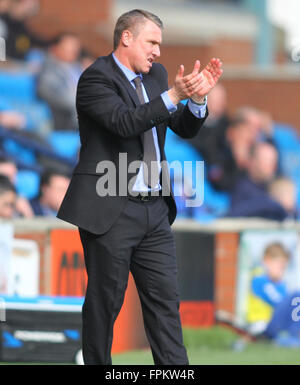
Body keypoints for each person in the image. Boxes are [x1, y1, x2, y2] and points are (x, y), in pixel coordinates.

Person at [57, 9, 223, 365]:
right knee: (105, 303)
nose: (158, 53)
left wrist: (195, 100)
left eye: (160, 45)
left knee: (166, 303)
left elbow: (182, 127)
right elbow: (123, 123)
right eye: (152, 42)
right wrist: (172, 96)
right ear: (126, 38)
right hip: (111, 208)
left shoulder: (157, 75)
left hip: (154, 210)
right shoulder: (95, 78)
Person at [226, 141, 289, 220]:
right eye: (267, 161)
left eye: (274, 162)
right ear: (253, 162)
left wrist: (289, 208)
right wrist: (272, 204)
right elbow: (232, 215)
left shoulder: (275, 187)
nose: (274, 167)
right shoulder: (241, 188)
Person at [37, 32, 82, 131]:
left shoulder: (77, 68)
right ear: (55, 48)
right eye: (68, 47)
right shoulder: (48, 70)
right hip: (65, 118)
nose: (73, 51)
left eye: (75, 48)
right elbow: (50, 93)